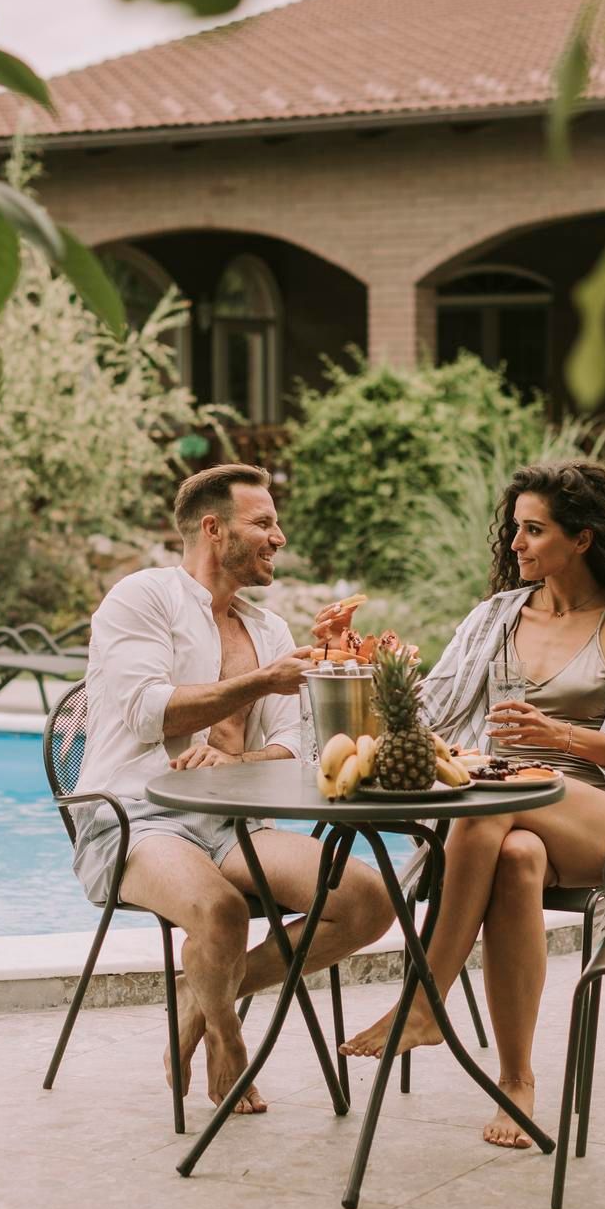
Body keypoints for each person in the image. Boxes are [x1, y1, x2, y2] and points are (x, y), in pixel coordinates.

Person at [341, 460, 605, 1149]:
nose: (515, 545)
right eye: (514, 531)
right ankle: (516, 1081)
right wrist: (362, 665)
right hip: (501, 807)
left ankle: (424, 1002)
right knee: (515, 856)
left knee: (494, 799)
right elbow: (430, 711)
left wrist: (566, 738)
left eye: (532, 531)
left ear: (582, 538)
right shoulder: (495, 618)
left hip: (599, 813)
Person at [72, 463, 394, 1115]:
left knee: (366, 899)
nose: (278, 538)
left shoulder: (268, 631)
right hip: (138, 817)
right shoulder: (143, 597)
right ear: (214, 530)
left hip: (234, 824)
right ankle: (225, 1037)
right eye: (264, 522)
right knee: (217, 911)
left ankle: (201, 1003)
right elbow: (146, 712)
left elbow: (292, 746)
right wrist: (258, 683)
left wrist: (239, 758)